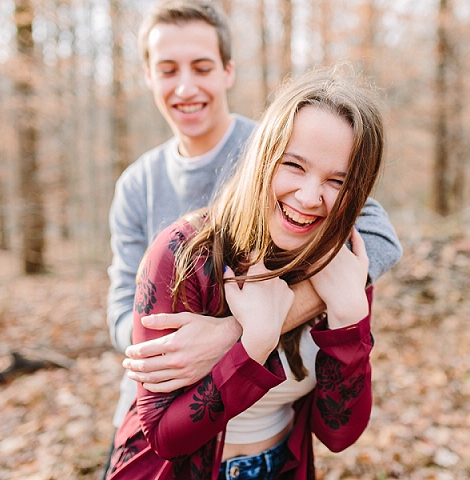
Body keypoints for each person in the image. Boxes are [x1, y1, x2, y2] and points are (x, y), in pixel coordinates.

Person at [106, 0, 401, 466]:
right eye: (168, 69)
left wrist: (334, 312)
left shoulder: (299, 137)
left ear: (227, 71)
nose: (307, 196)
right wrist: (179, 343)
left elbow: (378, 237)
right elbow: (124, 306)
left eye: (201, 66)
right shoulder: (147, 199)